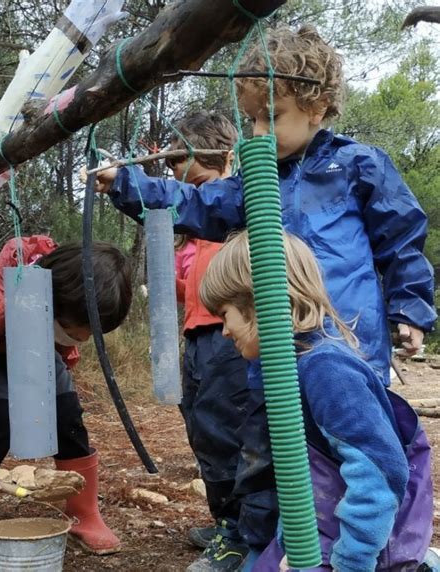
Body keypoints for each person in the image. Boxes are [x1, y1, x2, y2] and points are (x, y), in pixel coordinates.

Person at [94, 24, 436, 556]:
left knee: (350, 450)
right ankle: (258, 545)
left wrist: (409, 309)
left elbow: (401, 242)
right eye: (250, 119)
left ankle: (364, 550)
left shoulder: (358, 166)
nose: (256, 131)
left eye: (269, 118)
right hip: (274, 349)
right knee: (264, 452)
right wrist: (129, 184)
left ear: (317, 106)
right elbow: (198, 204)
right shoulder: (256, 179)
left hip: (348, 347)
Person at [199, 230, 433, 571]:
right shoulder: (292, 368)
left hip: (349, 550)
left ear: (256, 302)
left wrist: (350, 563)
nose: (224, 331)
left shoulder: (325, 368)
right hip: (313, 536)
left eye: (224, 314)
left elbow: (380, 473)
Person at [0, 235, 132, 555]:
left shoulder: (64, 292)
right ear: (51, 303)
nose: (78, 338)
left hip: (36, 345)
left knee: (67, 413)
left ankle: (85, 514)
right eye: (73, 329)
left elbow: (60, 345)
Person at [170, 111, 251, 571]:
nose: (178, 173)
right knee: (201, 428)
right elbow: (193, 284)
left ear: (221, 157)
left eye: (193, 173)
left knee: (227, 430)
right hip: (195, 337)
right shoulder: (194, 225)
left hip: (229, 336)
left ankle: (241, 532)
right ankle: (225, 520)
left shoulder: (233, 209)